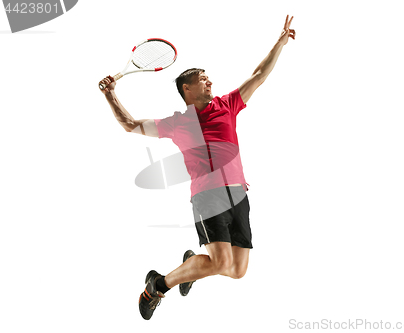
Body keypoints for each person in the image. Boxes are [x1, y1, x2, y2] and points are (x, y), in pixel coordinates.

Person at [99, 15, 295, 320]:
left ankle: (190, 266)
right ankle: (158, 285)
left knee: (237, 270)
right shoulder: (178, 123)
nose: (210, 82)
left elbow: (259, 75)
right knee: (218, 263)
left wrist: (280, 43)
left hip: (238, 195)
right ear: (187, 89)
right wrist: (110, 95)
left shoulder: (227, 105)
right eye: (203, 79)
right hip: (209, 195)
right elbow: (131, 125)